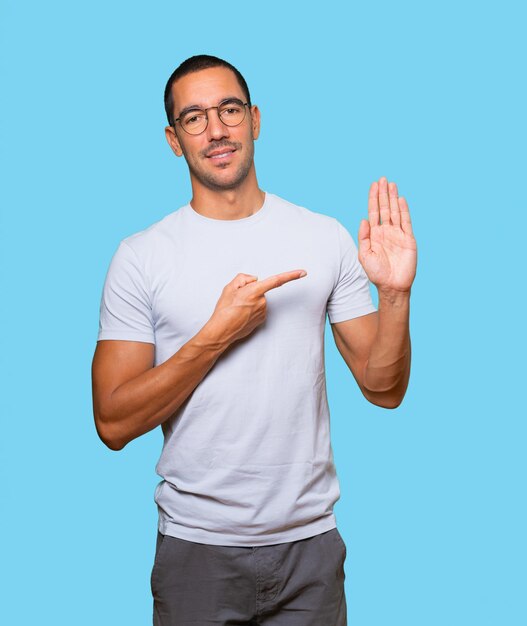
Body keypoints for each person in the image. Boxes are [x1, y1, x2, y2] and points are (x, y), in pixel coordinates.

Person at [92, 54, 417, 626]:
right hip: (196, 552)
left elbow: (384, 388)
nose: (216, 129)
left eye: (229, 109)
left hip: (310, 551)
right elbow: (113, 424)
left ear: (255, 119)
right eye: (194, 118)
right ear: (174, 140)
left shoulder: (323, 237)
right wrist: (216, 335)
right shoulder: (141, 257)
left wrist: (394, 296)